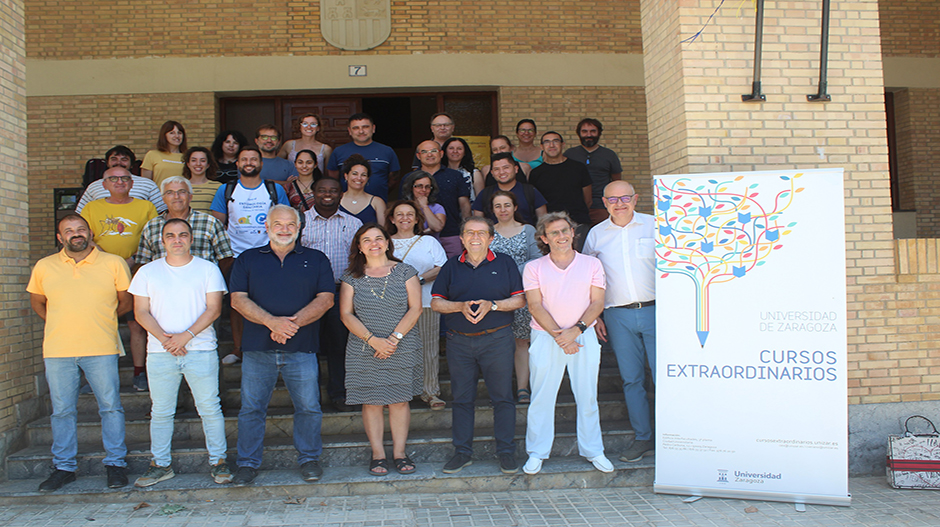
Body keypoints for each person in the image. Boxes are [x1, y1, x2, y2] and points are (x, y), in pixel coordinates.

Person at [229, 205, 335, 486]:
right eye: (278, 223)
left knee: (309, 408)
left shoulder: (316, 259)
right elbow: (238, 300)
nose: (284, 229)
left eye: (291, 224)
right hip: (257, 349)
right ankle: (247, 464)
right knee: (252, 409)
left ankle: (309, 459)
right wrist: (271, 323)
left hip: (302, 348)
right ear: (267, 226)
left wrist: (291, 325)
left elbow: (326, 299)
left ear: (299, 227)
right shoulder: (247, 259)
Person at [26, 214, 131, 492]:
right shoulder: (44, 266)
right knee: (62, 411)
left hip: (101, 347)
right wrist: (59, 322)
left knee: (110, 408)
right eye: (69, 231)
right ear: (60, 237)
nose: (76, 234)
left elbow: (125, 302)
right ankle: (64, 467)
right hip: (58, 349)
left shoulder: (113, 263)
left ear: (90, 233)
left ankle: (116, 464)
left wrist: (102, 318)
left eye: (81, 229)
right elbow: (37, 301)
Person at [129, 218, 233, 487]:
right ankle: (160, 464)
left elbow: (214, 309)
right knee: (161, 411)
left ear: (191, 238)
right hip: (160, 352)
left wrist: (185, 336)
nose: (177, 240)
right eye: (171, 235)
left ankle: (219, 462)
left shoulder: (207, 269)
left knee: (209, 408)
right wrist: (166, 340)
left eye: (183, 235)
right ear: (162, 240)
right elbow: (141, 312)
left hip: (200, 349)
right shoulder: (147, 272)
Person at [431, 217, 525, 475]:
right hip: (459, 341)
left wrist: (492, 304)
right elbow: (437, 303)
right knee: (462, 399)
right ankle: (462, 452)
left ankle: (506, 452)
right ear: (461, 238)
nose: (475, 237)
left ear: (491, 238)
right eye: (469, 233)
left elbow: (519, 300)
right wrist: (459, 306)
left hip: (497, 340)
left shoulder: (505, 263)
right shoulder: (451, 266)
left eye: (481, 233)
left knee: (503, 397)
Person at [522, 212, 612, 475]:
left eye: (565, 231)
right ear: (544, 238)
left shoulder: (592, 264)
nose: (561, 236)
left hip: (583, 337)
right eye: (554, 233)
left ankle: (594, 450)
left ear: (573, 232)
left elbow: (597, 302)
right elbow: (535, 305)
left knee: (587, 395)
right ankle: (537, 452)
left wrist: (577, 331)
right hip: (546, 337)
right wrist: (561, 337)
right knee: (541, 397)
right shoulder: (534, 268)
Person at [339, 223, 423, 476]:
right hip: (364, 347)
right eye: (367, 240)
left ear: (388, 242)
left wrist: (393, 339)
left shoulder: (406, 272)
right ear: (360, 247)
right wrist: (373, 340)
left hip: (402, 344)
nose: (373, 243)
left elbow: (416, 308)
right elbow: (345, 313)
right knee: (372, 402)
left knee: (399, 401)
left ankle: (399, 453)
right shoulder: (350, 277)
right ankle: (378, 454)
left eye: (378, 238)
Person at [582, 180, 656, 463]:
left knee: (664, 377)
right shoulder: (596, 235)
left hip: (656, 311)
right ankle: (643, 438)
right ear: (604, 203)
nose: (619, 203)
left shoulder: (655, 226)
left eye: (625, 198)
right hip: (617, 315)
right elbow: (589, 278)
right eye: (613, 200)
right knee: (631, 379)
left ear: (635, 199)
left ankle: (670, 437)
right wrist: (596, 314)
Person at [210, 146, 290, 364]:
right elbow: (218, 224)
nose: (249, 162)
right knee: (238, 303)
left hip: (269, 254)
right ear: (237, 164)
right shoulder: (226, 190)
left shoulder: (274, 190)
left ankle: (271, 346)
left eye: (253, 159)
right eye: (244, 159)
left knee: (270, 302)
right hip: (236, 256)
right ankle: (239, 349)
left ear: (261, 163)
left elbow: (286, 222)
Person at [81, 166, 158, 392]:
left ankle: (139, 372)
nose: (119, 182)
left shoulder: (146, 206)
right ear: (103, 185)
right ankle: (95, 378)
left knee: (136, 322)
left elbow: (154, 235)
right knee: (102, 322)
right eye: (113, 179)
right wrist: (108, 261)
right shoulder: (92, 208)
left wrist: (134, 259)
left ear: (132, 183)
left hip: (137, 272)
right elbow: (84, 237)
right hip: (100, 274)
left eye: (125, 178)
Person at [300, 178, 363, 412]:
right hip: (307, 295)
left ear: (341, 194)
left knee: (340, 346)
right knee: (309, 346)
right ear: (313, 193)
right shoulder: (300, 222)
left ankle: (339, 393)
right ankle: (310, 397)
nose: (328, 194)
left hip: (341, 293)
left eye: (333, 190)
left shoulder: (354, 223)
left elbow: (360, 259)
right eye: (322, 190)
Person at [386, 201, 448, 410]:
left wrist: (418, 279)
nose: (405, 218)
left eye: (410, 214)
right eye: (399, 214)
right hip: (392, 305)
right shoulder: (384, 242)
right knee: (394, 348)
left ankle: (430, 392)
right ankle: (396, 393)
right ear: (392, 219)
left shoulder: (428, 242)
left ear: (416, 219)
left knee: (428, 347)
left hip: (426, 302)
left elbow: (442, 267)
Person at [488, 190, 542, 404]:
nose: (503, 210)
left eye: (507, 205)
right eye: (498, 206)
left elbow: (536, 259)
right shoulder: (486, 231)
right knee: (498, 344)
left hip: (523, 294)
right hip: (494, 295)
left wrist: (509, 274)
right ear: (492, 209)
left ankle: (522, 388)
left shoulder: (528, 230)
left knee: (522, 342)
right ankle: (500, 390)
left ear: (515, 207)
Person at [136, 176, 233, 268]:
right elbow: (143, 262)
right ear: (163, 199)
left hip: (202, 282)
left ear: (190, 197)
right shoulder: (151, 226)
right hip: (162, 283)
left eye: (182, 192)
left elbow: (226, 258)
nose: (176, 196)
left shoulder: (210, 223)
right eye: (170, 192)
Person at [528, 131, 593, 246]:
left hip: (579, 223)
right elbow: (536, 203)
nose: (551, 145)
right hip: (550, 226)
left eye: (555, 141)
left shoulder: (578, 168)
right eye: (547, 142)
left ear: (563, 145)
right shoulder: (536, 173)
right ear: (542, 147)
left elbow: (587, 199)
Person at [416, 140, 471, 258]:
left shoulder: (455, 175)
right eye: (425, 152)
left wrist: (466, 232)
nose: (429, 154)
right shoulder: (410, 178)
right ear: (418, 156)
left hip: (451, 234)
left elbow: (464, 205)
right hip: (418, 236)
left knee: (455, 270)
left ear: (441, 154)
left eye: (434, 151)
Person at [326, 113, 400, 200]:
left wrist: (379, 190)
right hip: (345, 205)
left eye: (365, 127)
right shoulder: (338, 152)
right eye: (356, 128)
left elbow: (394, 180)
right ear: (350, 131)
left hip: (378, 204)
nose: (361, 131)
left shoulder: (387, 151)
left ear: (373, 128)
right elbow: (333, 181)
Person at [564, 119, 623, 225]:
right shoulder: (569, 154)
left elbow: (616, 182)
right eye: (584, 131)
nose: (588, 134)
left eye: (593, 131)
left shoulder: (609, 155)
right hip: (574, 207)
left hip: (601, 206)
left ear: (599, 133)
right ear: (579, 133)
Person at [76, 145, 166, 214]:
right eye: (114, 159)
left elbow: (161, 212)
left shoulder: (147, 184)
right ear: (107, 163)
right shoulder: (94, 186)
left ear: (132, 164)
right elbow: (81, 214)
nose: (119, 162)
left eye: (124, 159)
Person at [473, 152, 547, 226]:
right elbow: (477, 225)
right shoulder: (485, 194)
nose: (501, 172)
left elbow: (543, 222)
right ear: (492, 173)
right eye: (496, 169)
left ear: (516, 169)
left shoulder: (530, 191)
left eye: (506, 167)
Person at [339, 154, 386, 224]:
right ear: (346, 176)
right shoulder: (337, 200)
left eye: (363, 175)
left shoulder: (377, 202)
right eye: (355, 174)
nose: (359, 178)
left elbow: (383, 230)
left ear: (367, 179)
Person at [141, 120, 187, 187]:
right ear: (164, 135)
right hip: (158, 196)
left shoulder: (188, 156)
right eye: (172, 133)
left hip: (181, 196)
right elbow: (146, 182)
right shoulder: (152, 155)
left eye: (179, 133)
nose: (177, 136)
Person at [400, 170, 446, 236]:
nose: (424, 190)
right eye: (419, 186)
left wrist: (425, 206)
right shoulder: (402, 207)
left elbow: (437, 228)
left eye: (427, 187)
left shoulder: (437, 207)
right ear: (411, 187)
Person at [181, 147, 222, 214]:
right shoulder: (182, 186)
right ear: (188, 164)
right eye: (194, 160)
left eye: (202, 160)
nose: (198, 164)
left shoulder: (218, 187)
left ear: (208, 164)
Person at [443, 137, 484, 202]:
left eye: (459, 149)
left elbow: (481, 200)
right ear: (445, 151)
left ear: (465, 152)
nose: (455, 151)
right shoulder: (440, 172)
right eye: (451, 148)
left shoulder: (474, 173)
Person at [285, 149, 322, 213]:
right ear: (295, 164)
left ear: (315, 164)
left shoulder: (323, 185)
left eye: (309, 163)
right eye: (300, 162)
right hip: (297, 222)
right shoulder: (289, 186)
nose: (304, 166)